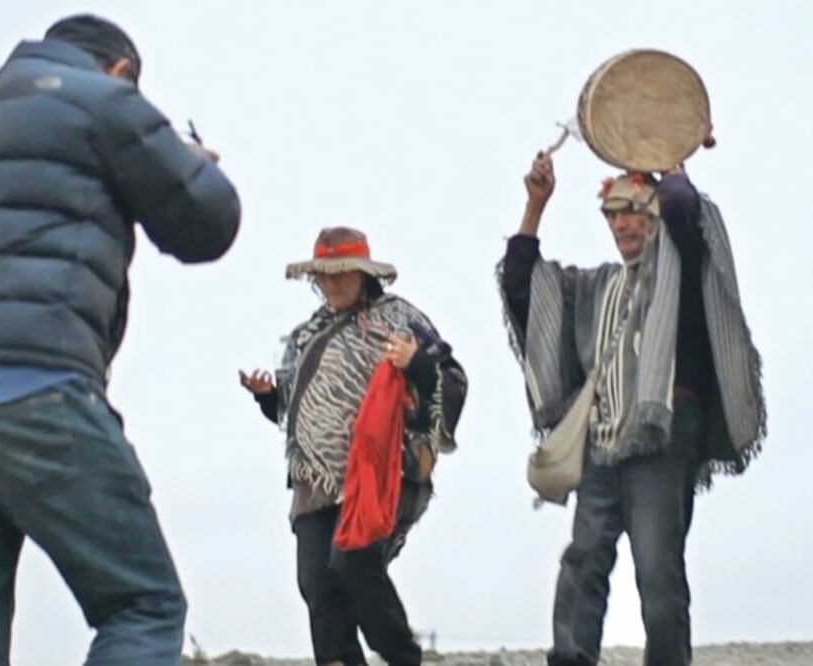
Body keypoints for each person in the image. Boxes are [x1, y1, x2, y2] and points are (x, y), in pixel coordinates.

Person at [0, 14, 240, 666]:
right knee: (141, 606)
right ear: (122, 71)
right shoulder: (107, 101)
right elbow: (207, 223)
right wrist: (186, 161)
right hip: (32, 393)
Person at [498, 152, 766, 666]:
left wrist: (672, 160)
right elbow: (524, 288)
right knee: (583, 562)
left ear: (655, 214)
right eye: (611, 212)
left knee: (658, 572)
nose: (620, 222)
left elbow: (686, 211)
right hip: (602, 441)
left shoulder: (681, 273)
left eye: (632, 209)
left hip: (664, 438)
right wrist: (535, 206)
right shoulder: (595, 287)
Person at [239, 227, 467, 666]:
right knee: (317, 585)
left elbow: (450, 380)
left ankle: (403, 656)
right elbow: (292, 408)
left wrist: (414, 363)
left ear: (364, 274)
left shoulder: (400, 320)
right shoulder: (305, 335)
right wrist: (267, 396)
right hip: (315, 478)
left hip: (383, 469)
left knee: (352, 565)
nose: (332, 284)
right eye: (323, 276)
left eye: (342, 273)